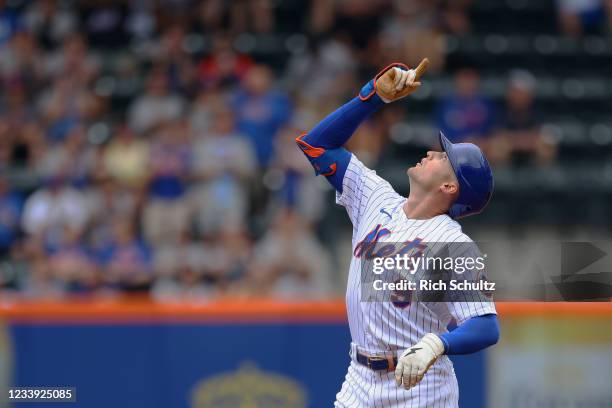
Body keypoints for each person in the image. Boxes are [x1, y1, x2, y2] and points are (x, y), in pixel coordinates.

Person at [296, 60, 499, 407]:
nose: (432, 152)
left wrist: (439, 344)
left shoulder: (453, 243)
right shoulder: (376, 197)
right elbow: (316, 146)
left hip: (420, 388)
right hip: (358, 379)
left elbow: (486, 326)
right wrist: (373, 98)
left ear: (450, 186)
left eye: (442, 157)